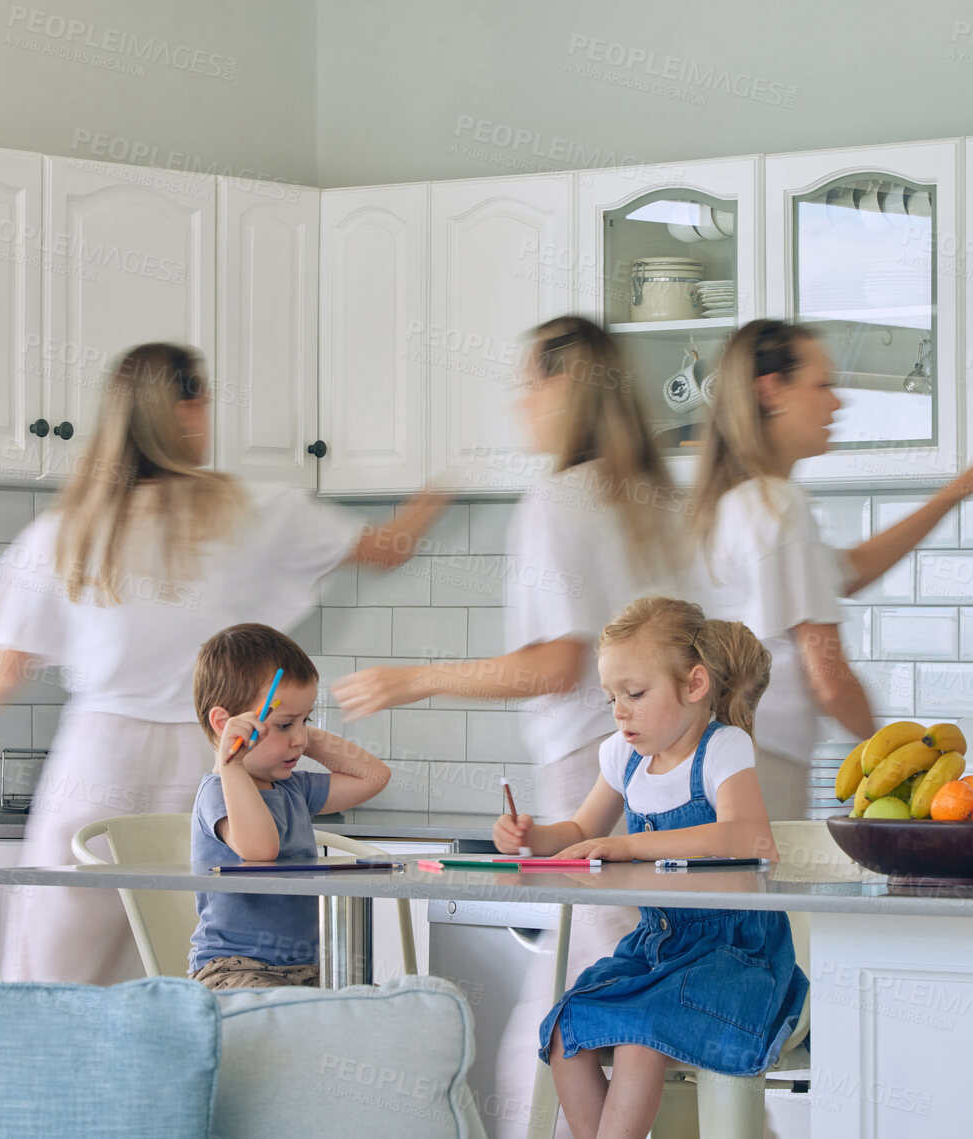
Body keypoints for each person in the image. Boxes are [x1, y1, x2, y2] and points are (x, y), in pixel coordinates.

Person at [0, 342, 447, 985]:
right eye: (203, 399)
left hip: (97, 760)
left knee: (55, 969)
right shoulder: (250, 512)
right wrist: (446, 477)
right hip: (209, 754)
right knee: (198, 967)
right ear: (184, 409)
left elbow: (1, 667)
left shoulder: (72, 530)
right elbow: (388, 548)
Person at [331, 316, 682, 1134]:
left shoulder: (558, 502)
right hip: (675, 785)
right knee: (638, 1010)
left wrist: (413, 678)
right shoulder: (659, 504)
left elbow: (556, 663)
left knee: (563, 1018)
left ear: (564, 388)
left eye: (530, 381)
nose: (521, 401)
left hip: (591, 778)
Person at [691, 319, 973, 819]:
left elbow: (847, 570)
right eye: (823, 385)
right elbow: (828, 674)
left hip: (716, 757)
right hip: (763, 764)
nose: (839, 402)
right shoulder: (779, 507)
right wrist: (903, 761)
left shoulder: (735, 505)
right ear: (771, 391)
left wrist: (961, 487)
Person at [494, 597, 804, 1139]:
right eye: (612, 696)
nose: (619, 710)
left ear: (695, 685)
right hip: (656, 947)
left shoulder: (723, 749)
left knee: (640, 1033)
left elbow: (749, 836)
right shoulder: (623, 756)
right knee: (567, 1031)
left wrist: (633, 847)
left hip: (733, 954)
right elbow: (580, 830)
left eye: (635, 694)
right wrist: (530, 836)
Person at [188, 623, 391, 990]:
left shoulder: (293, 788)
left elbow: (374, 776)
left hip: (309, 966)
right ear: (225, 725)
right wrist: (231, 762)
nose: (299, 738)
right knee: (291, 1016)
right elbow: (261, 849)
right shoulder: (217, 792)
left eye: (306, 720)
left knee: (374, 1009)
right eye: (283, 724)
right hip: (234, 969)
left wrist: (295, 731)